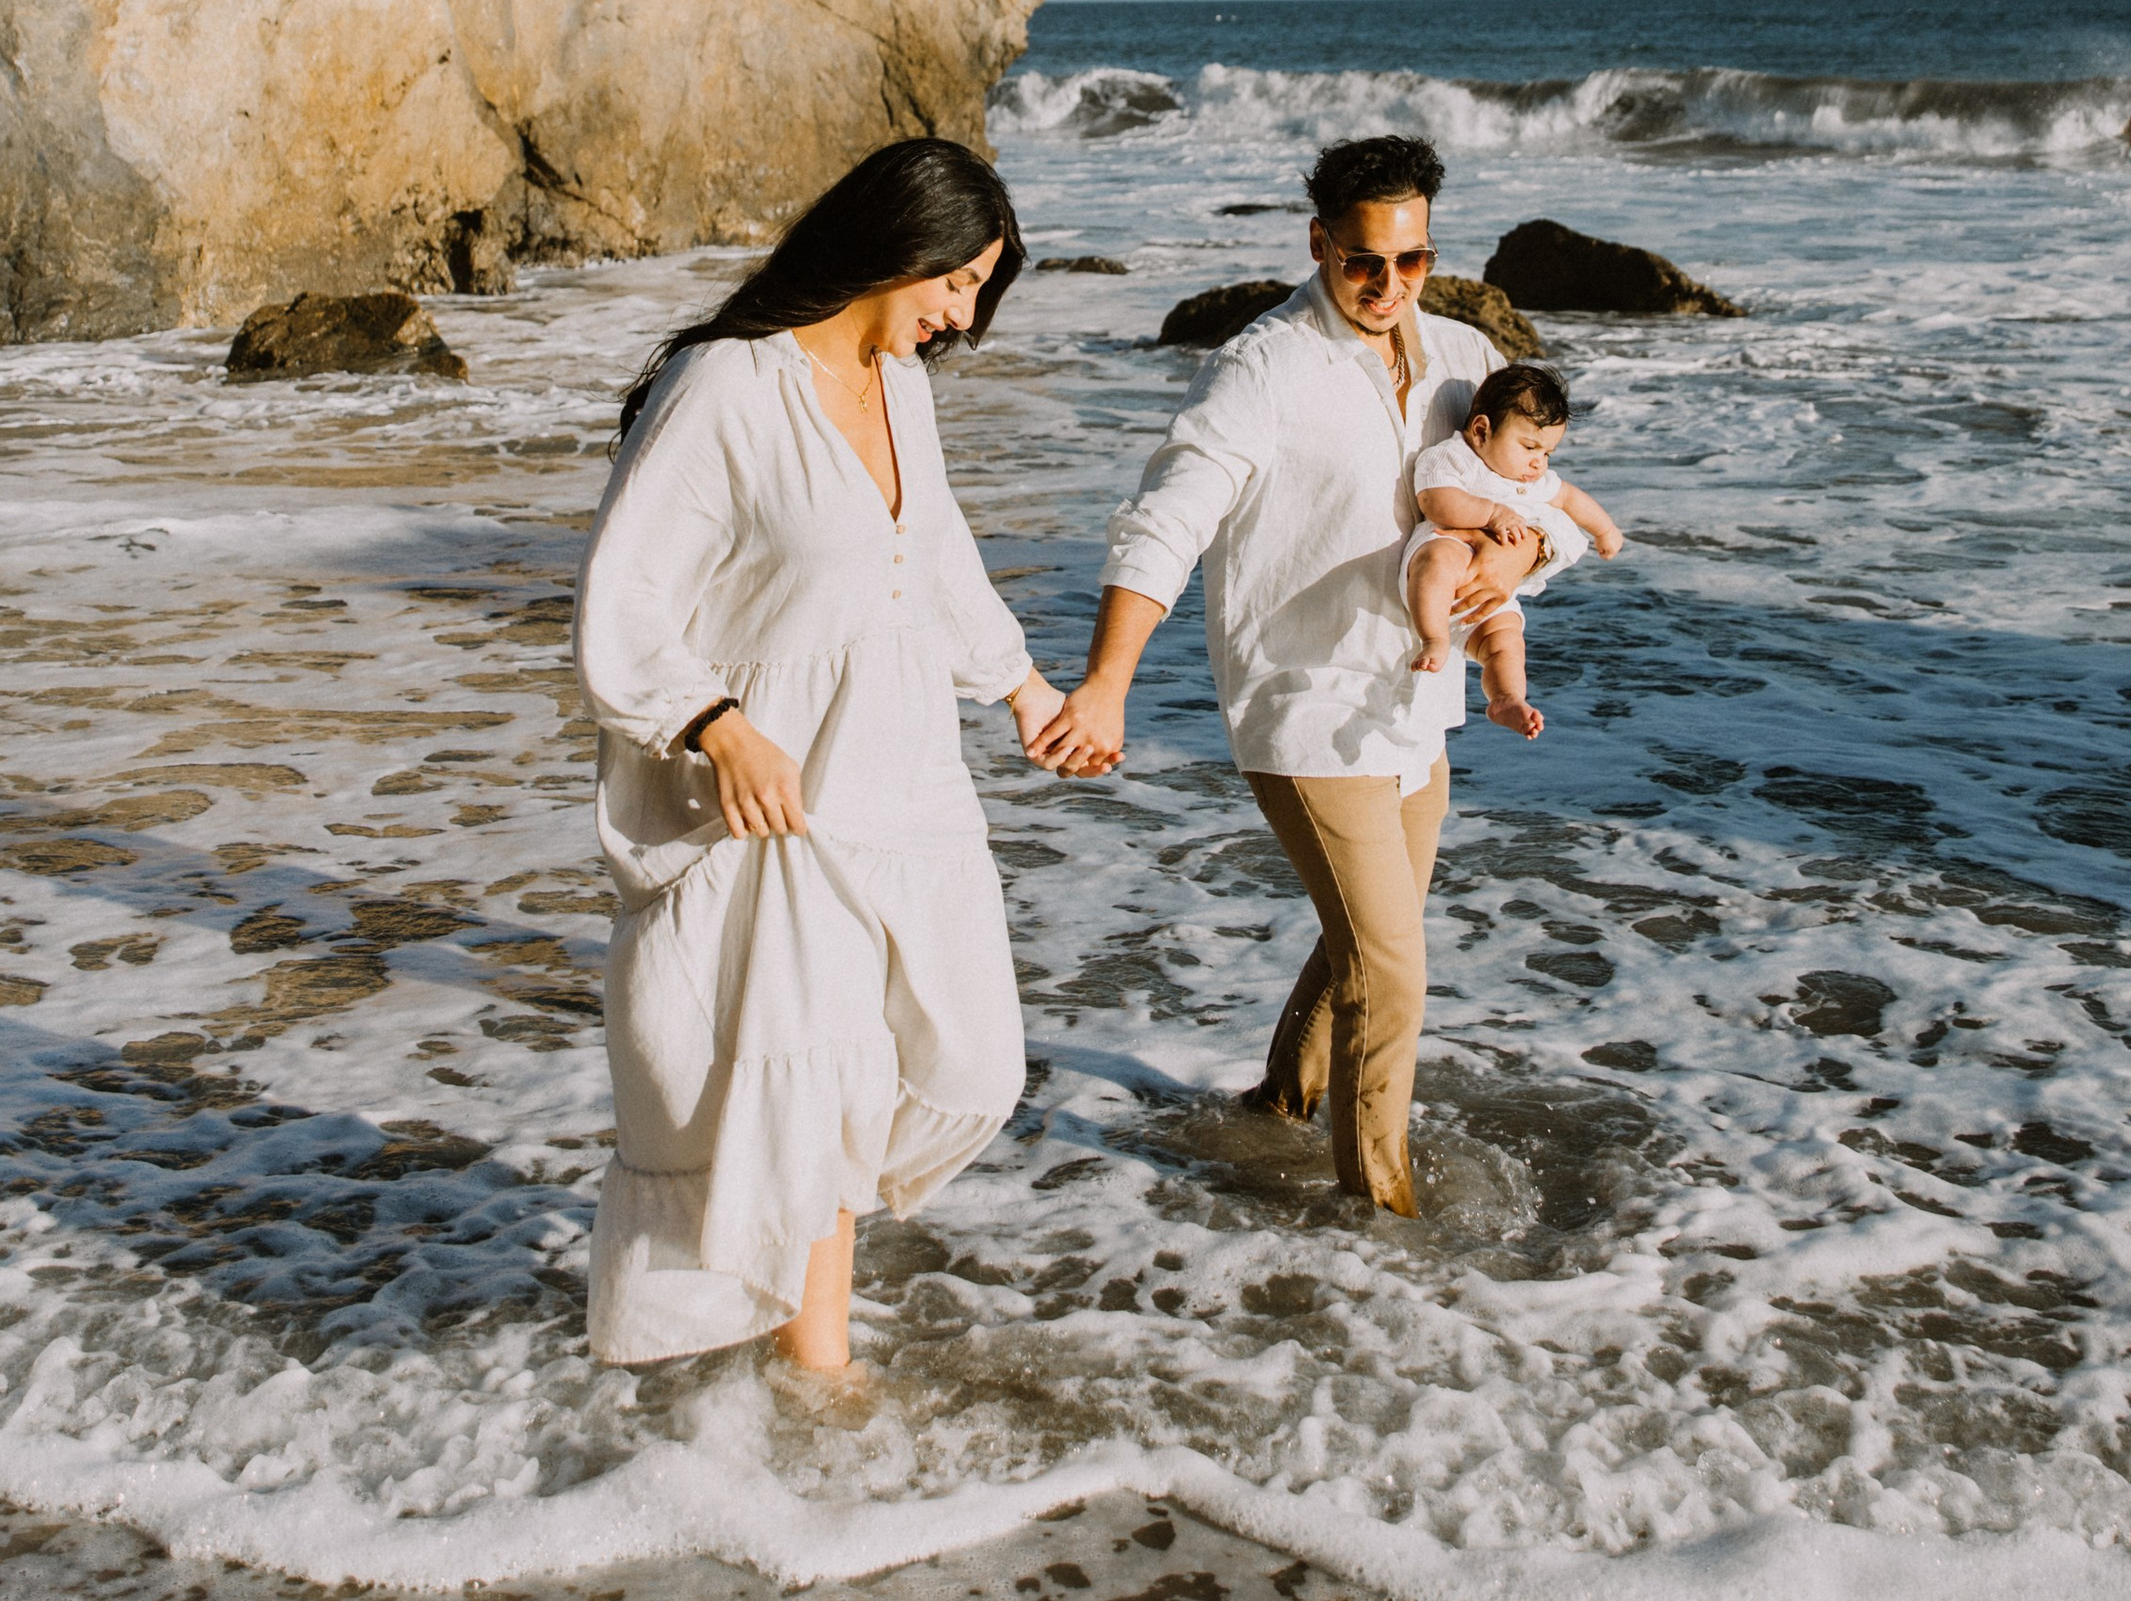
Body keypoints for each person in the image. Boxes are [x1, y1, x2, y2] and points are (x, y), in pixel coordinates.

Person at [575, 135, 1112, 1376]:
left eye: (977, 290)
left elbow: (934, 557)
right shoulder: (725, 384)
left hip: (904, 773)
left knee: (967, 1058)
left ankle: (797, 1362)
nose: (962, 315)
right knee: (807, 1077)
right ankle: (815, 1380)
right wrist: (717, 725)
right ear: (896, 246)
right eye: (957, 281)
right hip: (774, 798)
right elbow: (623, 589)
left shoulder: (901, 385)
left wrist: (1025, 688)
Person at [1028, 132, 1528, 1215]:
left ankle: (1277, 1107)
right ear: (1317, 243)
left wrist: (1513, 559)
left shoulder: (1460, 357)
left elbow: (1524, 496)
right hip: (1303, 704)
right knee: (1390, 969)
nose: (1388, 284)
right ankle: (1378, 1217)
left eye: (1411, 260)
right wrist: (1106, 680)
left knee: (1367, 943)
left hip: (1413, 704)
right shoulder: (1261, 368)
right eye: (1362, 261)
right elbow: (1165, 519)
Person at [1403, 357, 1624, 737]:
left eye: (1547, 453)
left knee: (1505, 640)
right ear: (1481, 431)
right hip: (1446, 555)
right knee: (1439, 558)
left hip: (1489, 597)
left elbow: (1569, 498)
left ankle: (1506, 699)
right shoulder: (1456, 458)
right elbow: (1435, 501)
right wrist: (1491, 513)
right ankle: (1434, 638)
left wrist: (1605, 530)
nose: (1538, 463)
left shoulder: (1531, 479)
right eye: (1529, 446)